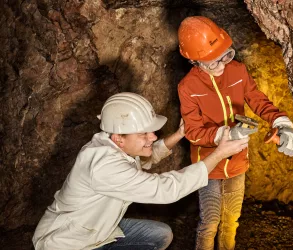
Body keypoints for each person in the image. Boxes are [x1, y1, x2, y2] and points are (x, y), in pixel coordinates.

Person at [32, 92, 249, 250]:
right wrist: (219, 154)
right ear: (119, 137)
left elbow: (144, 157)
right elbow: (165, 190)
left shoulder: (111, 144)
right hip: (68, 243)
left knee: (160, 235)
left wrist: (179, 134)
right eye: (144, 134)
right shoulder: (104, 167)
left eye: (152, 132)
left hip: (98, 229)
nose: (152, 137)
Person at [177, 16, 293, 250]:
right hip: (208, 165)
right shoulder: (188, 87)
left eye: (225, 55)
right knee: (210, 222)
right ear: (194, 61)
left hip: (237, 162)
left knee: (231, 221)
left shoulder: (238, 71)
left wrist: (282, 122)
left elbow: (257, 100)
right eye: (213, 62)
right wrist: (224, 135)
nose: (222, 64)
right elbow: (193, 131)